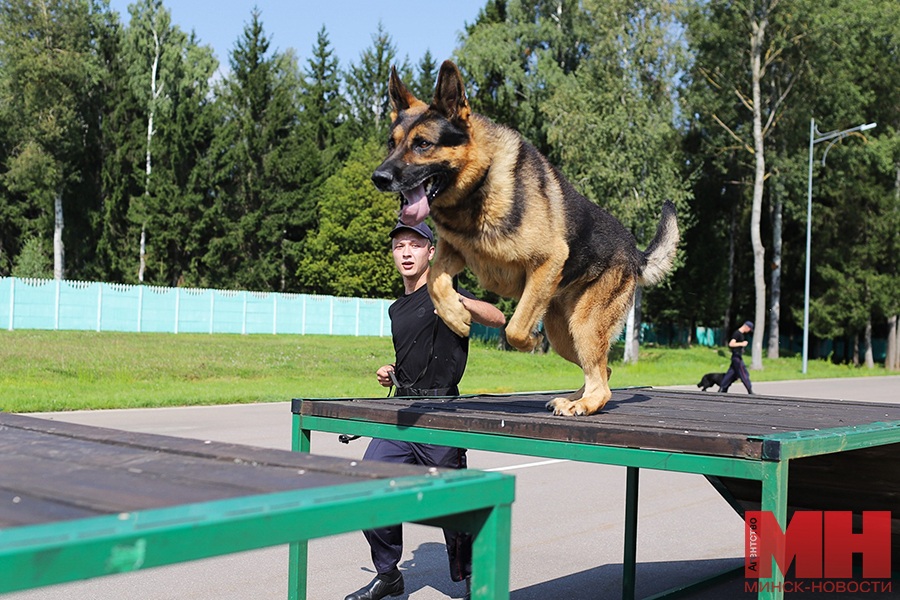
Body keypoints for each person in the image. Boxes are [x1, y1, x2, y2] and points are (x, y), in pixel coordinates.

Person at [345, 221, 506, 600]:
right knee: (369, 484)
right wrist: (392, 372)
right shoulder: (396, 309)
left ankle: (472, 580)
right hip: (403, 411)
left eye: (414, 245)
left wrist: (459, 302)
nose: (405, 252)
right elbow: (413, 357)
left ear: (430, 252)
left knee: (452, 505)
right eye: (400, 246)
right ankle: (389, 574)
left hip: (442, 412)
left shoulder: (444, 292)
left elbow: (497, 318)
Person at [720, 321, 755, 394]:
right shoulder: (737, 333)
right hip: (737, 357)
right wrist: (741, 344)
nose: (749, 331)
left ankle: (722, 388)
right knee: (744, 373)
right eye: (749, 329)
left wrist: (741, 349)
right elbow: (731, 344)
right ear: (746, 327)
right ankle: (749, 390)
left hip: (737, 356)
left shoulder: (741, 334)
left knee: (730, 374)